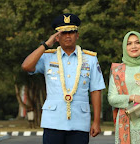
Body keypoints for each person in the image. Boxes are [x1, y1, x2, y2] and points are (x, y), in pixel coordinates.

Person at [21, 13, 105, 144]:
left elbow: (96, 90)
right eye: (63, 33)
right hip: (53, 121)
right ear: (57, 37)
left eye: (71, 32)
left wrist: (96, 122)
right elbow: (26, 66)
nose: (67, 36)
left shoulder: (90, 59)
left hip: (80, 122)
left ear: (77, 35)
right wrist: (46, 44)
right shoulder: (47, 57)